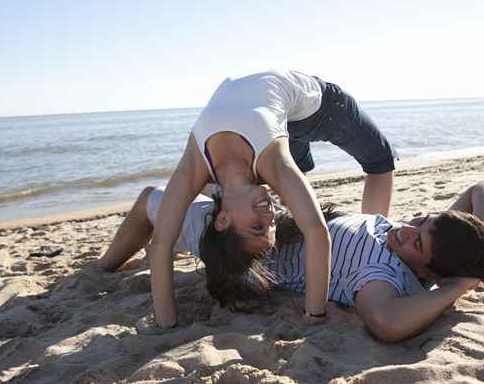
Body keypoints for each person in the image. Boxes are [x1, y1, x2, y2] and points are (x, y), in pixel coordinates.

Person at [101, 70, 396, 330]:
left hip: (317, 111)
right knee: (296, 178)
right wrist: (314, 312)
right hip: (276, 127)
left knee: (380, 160)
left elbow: (162, 245)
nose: (270, 217)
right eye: (271, 228)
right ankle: (370, 233)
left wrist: (167, 324)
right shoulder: (273, 164)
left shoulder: (194, 167)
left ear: (223, 218)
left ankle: (370, 224)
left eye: (257, 227)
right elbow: (315, 231)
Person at [99, 179, 484, 342]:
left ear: (429, 272)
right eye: (420, 222)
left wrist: (460, 285)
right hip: (276, 222)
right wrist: (479, 230)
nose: (405, 230)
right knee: (209, 179)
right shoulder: (422, 244)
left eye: (418, 242)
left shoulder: (381, 275)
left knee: (152, 201)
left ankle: (102, 269)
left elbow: (387, 323)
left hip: (243, 246)